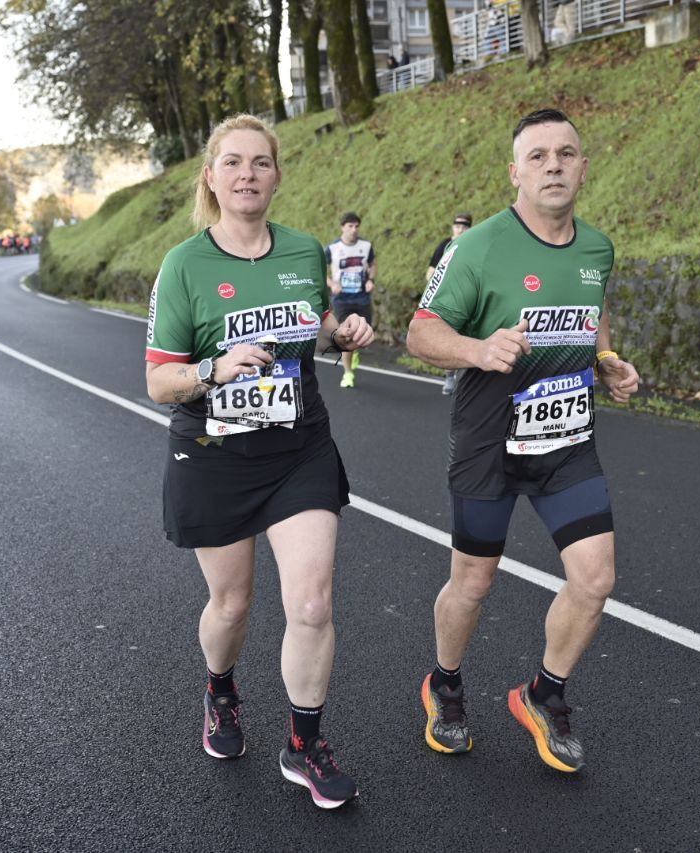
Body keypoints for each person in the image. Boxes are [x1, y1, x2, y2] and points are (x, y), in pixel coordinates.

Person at [144, 114, 373, 809]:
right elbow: (159, 381)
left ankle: (305, 744)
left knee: (310, 600)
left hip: (296, 447)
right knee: (232, 602)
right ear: (211, 177)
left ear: (277, 175)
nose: (248, 174)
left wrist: (343, 333)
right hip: (214, 453)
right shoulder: (185, 264)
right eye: (233, 163)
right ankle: (220, 688)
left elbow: (320, 329)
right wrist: (212, 367)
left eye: (261, 163)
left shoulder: (306, 251)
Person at [406, 108, 641, 773]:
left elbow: (591, 313)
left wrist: (608, 359)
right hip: (490, 441)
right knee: (473, 581)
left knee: (595, 579)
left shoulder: (597, 247)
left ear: (584, 166)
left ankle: (543, 693)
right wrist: (479, 348)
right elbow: (421, 334)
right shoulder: (476, 247)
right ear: (515, 172)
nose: (554, 166)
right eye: (537, 156)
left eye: (566, 153)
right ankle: (445, 683)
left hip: (567, 441)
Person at [325, 211, 376, 388]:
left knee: (363, 335)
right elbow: (319, 269)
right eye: (350, 226)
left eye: (356, 226)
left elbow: (372, 264)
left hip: (362, 298)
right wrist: (331, 284)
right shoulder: (332, 248)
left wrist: (371, 279)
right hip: (342, 300)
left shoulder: (366, 246)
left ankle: (354, 352)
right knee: (347, 337)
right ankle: (347, 373)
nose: (354, 230)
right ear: (342, 227)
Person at [426, 212, 474, 395]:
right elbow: (430, 273)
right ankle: (450, 376)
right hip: (448, 298)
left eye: (464, 226)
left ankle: (468, 379)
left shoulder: (474, 245)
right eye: (457, 225)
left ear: (470, 228)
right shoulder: (445, 245)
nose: (460, 229)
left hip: (469, 296)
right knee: (449, 337)